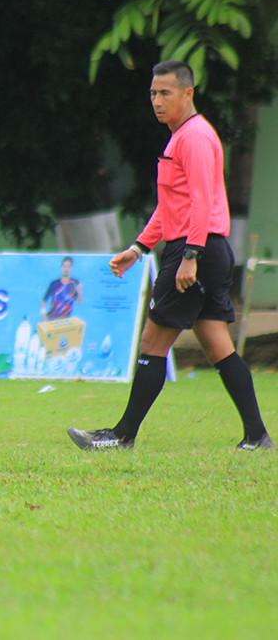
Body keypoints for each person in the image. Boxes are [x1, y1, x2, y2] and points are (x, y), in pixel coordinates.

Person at [67, 60, 272, 451]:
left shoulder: (192, 138)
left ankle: (121, 436)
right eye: (153, 94)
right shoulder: (182, 136)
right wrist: (139, 247)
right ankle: (257, 436)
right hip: (205, 248)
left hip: (195, 249)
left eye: (165, 93)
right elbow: (171, 207)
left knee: (152, 341)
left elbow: (199, 203)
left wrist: (190, 255)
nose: (157, 101)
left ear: (188, 93)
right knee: (217, 343)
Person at [41, 256, 82, 321]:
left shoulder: (74, 283)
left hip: (65, 320)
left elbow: (79, 301)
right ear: (61, 268)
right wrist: (43, 313)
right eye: (64, 266)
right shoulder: (54, 284)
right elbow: (44, 300)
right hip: (52, 318)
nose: (66, 269)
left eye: (68, 266)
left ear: (71, 268)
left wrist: (79, 291)